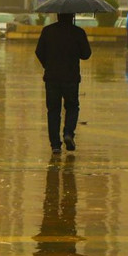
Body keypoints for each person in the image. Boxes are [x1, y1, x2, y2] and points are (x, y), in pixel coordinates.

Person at [35, 13, 92, 153]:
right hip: (71, 78)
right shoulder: (78, 32)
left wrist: (47, 65)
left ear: (57, 15)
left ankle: (55, 145)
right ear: (72, 16)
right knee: (72, 107)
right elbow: (86, 54)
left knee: (53, 110)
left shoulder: (47, 31)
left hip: (52, 78)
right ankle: (68, 133)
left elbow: (39, 52)